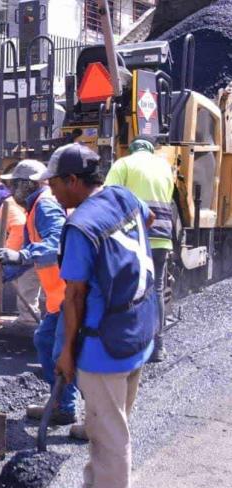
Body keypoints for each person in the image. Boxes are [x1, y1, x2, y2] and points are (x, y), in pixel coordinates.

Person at [44, 143, 157, 488]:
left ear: (73, 181)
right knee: (104, 422)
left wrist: (66, 353)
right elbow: (151, 218)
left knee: (109, 432)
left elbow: (73, 296)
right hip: (139, 326)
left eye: (55, 183)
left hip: (104, 342)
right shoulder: (123, 196)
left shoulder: (79, 227)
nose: (52, 192)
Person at [0, 161, 80, 426]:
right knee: (43, 341)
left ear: (27, 183)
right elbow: (26, 260)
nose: (10, 189)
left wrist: (22, 254)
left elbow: (56, 243)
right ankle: (61, 403)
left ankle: (75, 407)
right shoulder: (33, 209)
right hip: (57, 298)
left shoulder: (46, 205)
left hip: (70, 294)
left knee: (60, 353)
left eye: (14, 183)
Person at [104, 136, 174, 362]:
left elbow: (108, 197)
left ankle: (131, 343)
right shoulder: (165, 167)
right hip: (162, 238)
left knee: (129, 289)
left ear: (132, 148)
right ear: (151, 149)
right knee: (156, 290)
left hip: (135, 239)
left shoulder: (123, 164)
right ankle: (158, 346)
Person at [0, 179, 42, 326]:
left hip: (25, 251)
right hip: (33, 248)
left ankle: (29, 321)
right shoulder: (13, 201)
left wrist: (9, 253)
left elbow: (19, 227)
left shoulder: (6, 205)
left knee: (27, 285)